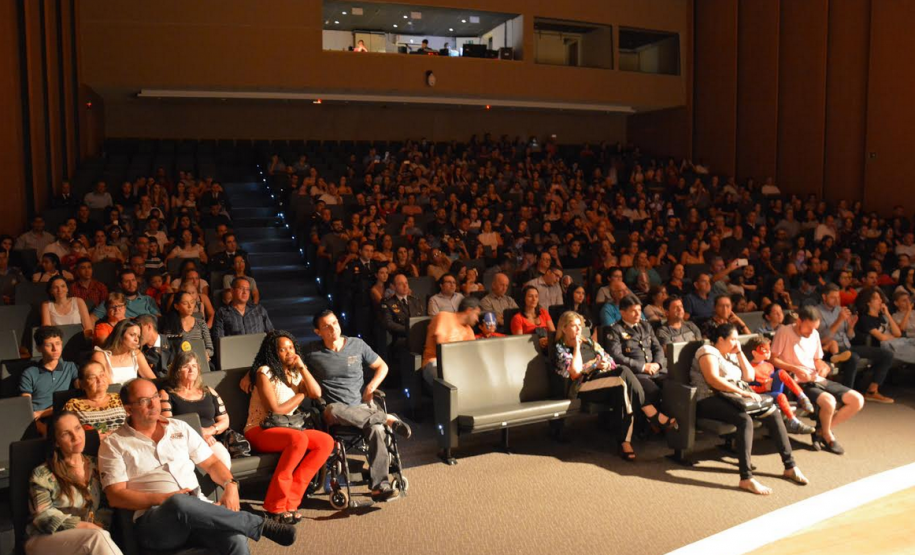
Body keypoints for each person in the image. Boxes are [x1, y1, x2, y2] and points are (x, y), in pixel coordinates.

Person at [100, 378, 297, 553]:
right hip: (156, 523)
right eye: (144, 401)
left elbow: (211, 463)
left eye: (154, 396)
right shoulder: (115, 443)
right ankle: (258, 524)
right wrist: (164, 499)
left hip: (198, 512)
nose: (153, 404)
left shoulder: (179, 428)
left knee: (234, 539)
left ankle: (250, 525)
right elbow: (115, 495)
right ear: (128, 409)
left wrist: (230, 485)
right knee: (178, 502)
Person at [302, 310, 412, 501]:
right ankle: (387, 418)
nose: (333, 328)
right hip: (333, 410)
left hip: (360, 407)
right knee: (334, 409)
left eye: (335, 323)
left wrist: (371, 386)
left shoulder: (356, 344)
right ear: (318, 331)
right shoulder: (311, 351)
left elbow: (382, 366)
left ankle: (380, 485)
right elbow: (284, 364)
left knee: (377, 430)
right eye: (326, 326)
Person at [692, 323, 808, 494]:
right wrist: (741, 392)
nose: (735, 342)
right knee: (744, 420)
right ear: (720, 339)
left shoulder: (730, 355)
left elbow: (749, 376)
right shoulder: (707, 351)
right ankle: (746, 478)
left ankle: (790, 466)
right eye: (732, 339)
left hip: (734, 398)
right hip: (709, 398)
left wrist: (738, 352)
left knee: (773, 413)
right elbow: (713, 380)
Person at [552, 311, 676, 461]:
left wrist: (603, 364)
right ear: (564, 328)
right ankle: (653, 415)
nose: (578, 329)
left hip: (606, 380)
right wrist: (585, 356)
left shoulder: (589, 342)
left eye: (580, 326)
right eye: (573, 326)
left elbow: (609, 360)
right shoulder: (560, 347)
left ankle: (625, 442)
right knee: (623, 371)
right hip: (582, 386)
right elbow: (575, 373)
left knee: (624, 390)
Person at [243, 331, 334, 523]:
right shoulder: (264, 372)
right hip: (260, 429)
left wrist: (302, 367)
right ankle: (275, 506)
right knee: (298, 439)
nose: (288, 352)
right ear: (273, 353)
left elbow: (316, 392)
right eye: (282, 349)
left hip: (289, 428)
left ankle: (292, 501)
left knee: (325, 442)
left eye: (291, 348)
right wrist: (301, 395)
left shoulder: (294, 372)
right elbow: (275, 410)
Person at [24, 411, 122, 555]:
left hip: (90, 539)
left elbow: (105, 509)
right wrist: (86, 527)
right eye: (66, 434)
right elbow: (43, 517)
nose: (76, 437)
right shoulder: (42, 474)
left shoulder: (98, 465)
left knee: (98, 537)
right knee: (96, 537)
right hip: (44, 540)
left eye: (77, 428)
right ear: (56, 442)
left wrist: (96, 527)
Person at [771, 306, 865, 455]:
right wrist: (795, 369)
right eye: (808, 327)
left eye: (814, 328)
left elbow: (817, 359)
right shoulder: (784, 331)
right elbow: (773, 359)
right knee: (829, 402)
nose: (811, 332)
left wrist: (824, 367)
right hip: (797, 381)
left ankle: (821, 431)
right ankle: (827, 435)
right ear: (799, 321)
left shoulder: (813, 334)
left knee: (857, 400)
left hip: (815, 377)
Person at [819, 284, 894, 403]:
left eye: (838, 297)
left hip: (847, 346)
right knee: (853, 357)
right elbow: (822, 338)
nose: (837, 300)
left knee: (887, 354)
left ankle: (872, 391)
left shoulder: (840, 309)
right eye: (833, 297)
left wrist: (850, 327)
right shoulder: (818, 312)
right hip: (830, 349)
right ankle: (846, 395)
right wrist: (839, 320)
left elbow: (850, 336)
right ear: (824, 297)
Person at [159, 351, 232, 469]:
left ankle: (228, 485)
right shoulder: (166, 394)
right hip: (183, 443)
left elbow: (225, 420)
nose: (191, 370)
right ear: (177, 371)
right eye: (186, 366)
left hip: (211, 440)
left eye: (194, 366)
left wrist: (209, 431)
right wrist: (199, 435)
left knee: (222, 458)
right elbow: (168, 425)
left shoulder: (209, 391)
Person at [606, 295, 667, 408]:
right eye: (633, 311)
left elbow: (658, 348)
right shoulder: (616, 330)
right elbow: (616, 356)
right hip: (636, 373)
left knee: (674, 388)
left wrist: (658, 364)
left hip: (656, 370)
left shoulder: (646, 325)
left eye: (639, 310)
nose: (638, 314)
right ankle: (656, 423)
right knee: (654, 392)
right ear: (623, 313)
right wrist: (643, 367)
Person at [746, 336, 816, 435]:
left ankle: (803, 397)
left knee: (781, 372)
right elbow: (747, 388)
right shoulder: (749, 368)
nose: (768, 353)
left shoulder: (769, 365)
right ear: (754, 353)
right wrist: (763, 388)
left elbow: (775, 379)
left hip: (773, 391)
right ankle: (793, 421)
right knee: (780, 396)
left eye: (769, 350)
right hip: (762, 395)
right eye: (765, 351)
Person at [20, 326, 79, 436]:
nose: (55, 349)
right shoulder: (30, 373)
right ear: (39, 348)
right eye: (48, 345)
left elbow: (81, 393)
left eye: (58, 343)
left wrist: (42, 413)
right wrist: (39, 424)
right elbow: (25, 407)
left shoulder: (70, 367)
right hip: (37, 420)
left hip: (63, 414)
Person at [421, 297, 480, 385]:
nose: (477, 319)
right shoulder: (444, 316)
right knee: (451, 381)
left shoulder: (469, 330)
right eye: (476, 314)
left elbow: (471, 354)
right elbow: (442, 347)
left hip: (458, 365)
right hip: (435, 362)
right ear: (469, 310)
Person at [63, 361, 127, 439]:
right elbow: (65, 433)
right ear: (82, 384)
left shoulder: (121, 399)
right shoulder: (73, 405)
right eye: (92, 377)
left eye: (102, 375)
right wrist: (89, 437)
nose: (99, 380)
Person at [855, 286, 915, 369]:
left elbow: (898, 333)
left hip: (897, 342)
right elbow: (882, 337)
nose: (881, 301)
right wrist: (893, 337)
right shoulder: (865, 319)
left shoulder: (882, 317)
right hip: (887, 346)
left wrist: (887, 314)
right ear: (868, 302)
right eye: (877, 299)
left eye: (881, 298)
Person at [91, 319, 156, 384]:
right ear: (120, 335)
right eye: (132, 335)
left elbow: (153, 380)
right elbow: (109, 386)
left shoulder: (136, 354)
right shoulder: (100, 356)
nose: (136, 339)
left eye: (138, 336)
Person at [162, 290, 215, 361]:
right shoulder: (171, 325)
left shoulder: (201, 323)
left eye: (192, 302)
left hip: (200, 360)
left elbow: (210, 348)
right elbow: (168, 349)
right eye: (185, 303)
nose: (190, 306)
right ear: (176, 306)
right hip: (181, 361)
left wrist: (206, 353)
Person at [90, 270, 159, 321]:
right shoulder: (113, 300)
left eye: (133, 280)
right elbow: (93, 317)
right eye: (126, 281)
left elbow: (159, 318)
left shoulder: (148, 299)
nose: (131, 284)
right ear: (120, 285)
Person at [511, 285, 555, 350]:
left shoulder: (543, 312)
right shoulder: (517, 318)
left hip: (548, 347)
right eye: (530, 296)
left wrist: (547, 340)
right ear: (524, 298)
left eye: (536, 296)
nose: (534, 299)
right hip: (529, 349)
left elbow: (553, 333)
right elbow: (519, 343)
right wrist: (537, 342)